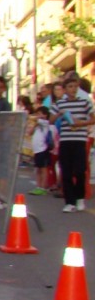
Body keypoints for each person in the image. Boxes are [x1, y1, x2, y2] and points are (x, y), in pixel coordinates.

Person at [52, 75, 94, 212]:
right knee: (66, 172)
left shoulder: (84, 103)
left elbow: (94, 119)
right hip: (65, 140)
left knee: (80, 170)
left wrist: (82, 123)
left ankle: (79, 198)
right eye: (70, 87)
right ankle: (69, 202)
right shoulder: (60, 104)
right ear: (64, 90)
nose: (73, 89)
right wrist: (59, 114)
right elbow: (51, 120)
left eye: (75, 87)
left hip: (80, 140)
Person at [28, 106, 54, 196]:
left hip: (43, 149)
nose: (38, 116)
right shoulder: (38, 124)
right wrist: (34, 125)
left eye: (40, 114)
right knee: (38, 169)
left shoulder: (45, 123)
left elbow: (35, 119)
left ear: (45, 115)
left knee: (43, 169)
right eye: (37, 114)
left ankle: (43, 187)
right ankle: (38, 186)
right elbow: (29, 132)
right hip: (36, 150)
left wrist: (36, 119)